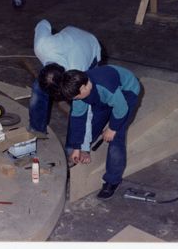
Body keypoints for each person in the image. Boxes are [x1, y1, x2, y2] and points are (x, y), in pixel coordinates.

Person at [60, 65, 140, 200]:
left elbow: (121, 108)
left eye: (76, 97)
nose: (75, 100)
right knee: (94, 123)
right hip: (103, 96)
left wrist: (112, 128)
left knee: (116, 138)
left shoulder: (106, 86)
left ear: (85, 87)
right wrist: (78, 147)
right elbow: (78, 119)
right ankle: (86, 149)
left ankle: (112, 181)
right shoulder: (79, 89)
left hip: (127, 92)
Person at [29, 19, 102, 163]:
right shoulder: (41, 46)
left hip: (90, 46)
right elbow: (43, 22)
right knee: (38, 89)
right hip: (70, 35)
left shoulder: (78, 72)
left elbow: (84, 112)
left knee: (81, 105)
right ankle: (36, 130)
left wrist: (81, 147)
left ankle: (72, 147)